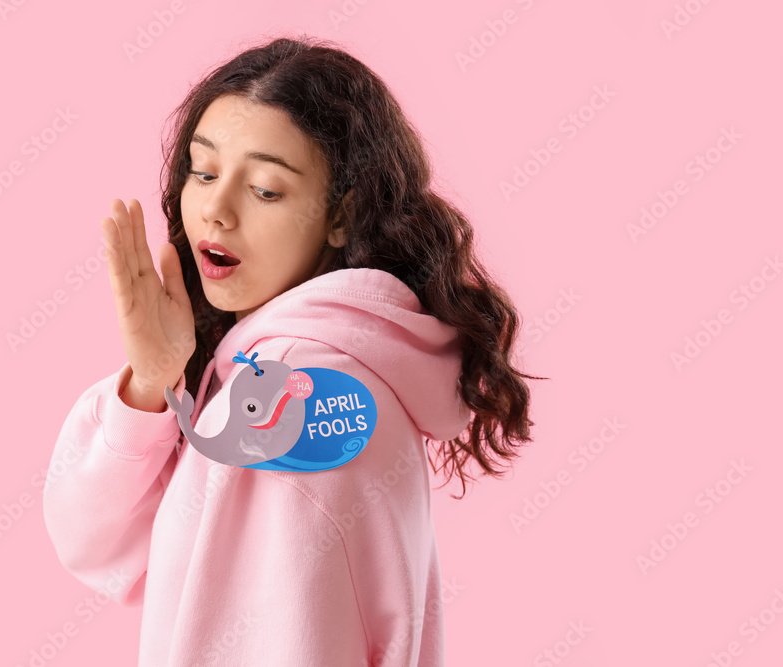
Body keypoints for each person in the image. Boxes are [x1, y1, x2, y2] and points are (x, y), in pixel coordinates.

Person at [43, 34, 541, 666]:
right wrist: (152, 385)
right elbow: (103, 544)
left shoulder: (299, 385)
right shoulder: (279, 369)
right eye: (204, 172)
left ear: (342, 216)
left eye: (266, 190)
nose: (216, 211)